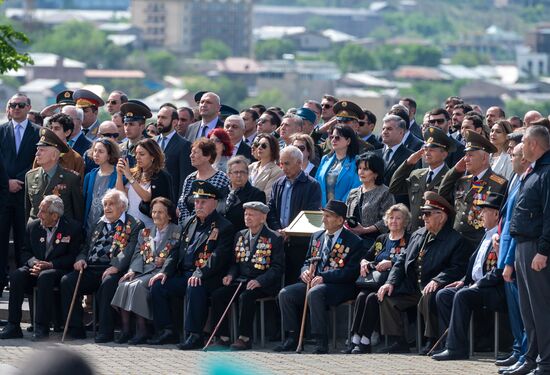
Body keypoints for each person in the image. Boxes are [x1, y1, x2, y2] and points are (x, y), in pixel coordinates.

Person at [377, 192, 468, 354]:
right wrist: (390, 282)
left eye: (428, 214)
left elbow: (457, 268)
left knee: (429, 295)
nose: (423, 218)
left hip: (434, 287)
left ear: (441, 216)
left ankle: (432, 341)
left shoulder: (456, 240)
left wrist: (438, 280)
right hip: (413, 287)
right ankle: (398, 341)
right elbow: (400, 261)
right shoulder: (418, 235)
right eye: (423, 213)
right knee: (387, 297)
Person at [148, 181, 234, 348]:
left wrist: (199, 273)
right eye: (196, 201)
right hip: (184, 273)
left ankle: (195, 335)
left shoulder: (224, 226)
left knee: (195, 286)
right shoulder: (189, 221)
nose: (198, 205)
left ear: (214, 203)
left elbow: (218, 257)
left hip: (208, 277)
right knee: (158, 284)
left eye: (203, 202)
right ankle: (167, 331)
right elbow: (176, 250)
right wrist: (165, 271)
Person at [275, 200, 362, 354]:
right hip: (314, 281)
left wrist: (324, 277)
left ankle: (320, 339)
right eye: (324, 215)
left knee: (315, 293)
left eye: (328, 216)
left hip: (339, 286)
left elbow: (351, 272)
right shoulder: (317, 236)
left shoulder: (354, 241)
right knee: (286, 293)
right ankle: (292, 336)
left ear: (340, 220)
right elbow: (307, 260)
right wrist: (305, 271)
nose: (323, 220)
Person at [60, 189, 143, 342]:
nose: (107, 208)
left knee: (108, 284)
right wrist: (81, 258)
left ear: (123, 206)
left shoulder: (134, 224)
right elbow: (86, 246)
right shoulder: (99, 223)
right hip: (91, 268)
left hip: (114, 269)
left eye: (112, 204)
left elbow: (130, 249)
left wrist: (116, 266)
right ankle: (75, 328)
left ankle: (106, 331)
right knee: (67, 281)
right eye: (105, 204)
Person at [432, 193, 505, 361]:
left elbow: (499, 270)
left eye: (484, 211)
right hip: (476, 285)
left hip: (494, 288)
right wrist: (464, 281)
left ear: (496, 214)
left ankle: (456, 348)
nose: (480, 215)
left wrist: (476, 284)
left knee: (462, 295)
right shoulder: (486, 235)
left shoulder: (500, 237)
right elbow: (476, 265)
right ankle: (449, 344)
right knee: (443, 295)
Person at [0, 196, 82, 341]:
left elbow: (72, 256)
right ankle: (13, 326)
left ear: (55, 215)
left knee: (46, 276)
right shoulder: (33, 226)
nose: (38, 215)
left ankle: (41, 327)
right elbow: (24, 251)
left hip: (58, 270)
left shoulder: (72, 228)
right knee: (17, 275)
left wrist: (50, 265)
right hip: (36, 267)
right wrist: (34, 263)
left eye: (43, 212)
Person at [210, 201, 283, 350]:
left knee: (246, 296)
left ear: (262, 218)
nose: (247, 217)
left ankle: (244, 337)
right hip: (241, 280)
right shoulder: (240, 235)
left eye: (252, 214)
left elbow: (277, 267)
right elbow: (234, 262)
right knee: (218, 295)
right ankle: (223, 336)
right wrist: (230, 275)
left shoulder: (274, 238)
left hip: (264, 283)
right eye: (246, 214)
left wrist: (260, 281)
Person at [111, 197, 180, 345]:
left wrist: (165, 263)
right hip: (144, 271)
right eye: (154, 212)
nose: (156, 215)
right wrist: (132, 270)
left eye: (160, 212)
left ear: (169, 215)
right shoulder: (145, 232)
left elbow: (176, 255)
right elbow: (137, 254)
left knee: (136, 286)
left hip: (162, 272)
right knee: (124, 284)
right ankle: (125, 330)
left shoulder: (177, 231)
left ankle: (142, 330)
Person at [509, 125, 550, 375]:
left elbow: (549, 216)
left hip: (537, 248)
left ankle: (546, 362)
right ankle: (531, 358)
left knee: (540, 308)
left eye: (523, 141)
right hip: (523, 245)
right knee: (528, 309)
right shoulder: (533, 171)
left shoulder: (546, 172)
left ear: (533, 144)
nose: (520, 147)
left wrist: (543, 250)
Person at [343, 204, 410, 354]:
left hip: (397, 284)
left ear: (405, 221)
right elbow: (366, 257)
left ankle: (365, 340)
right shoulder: (381, 239)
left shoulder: (410, 239)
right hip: (376, 282)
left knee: (372, 298)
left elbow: (409, 262)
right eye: (391, 218)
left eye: (398, 218)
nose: (394, 221)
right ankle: (355, 337)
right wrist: (364, 262)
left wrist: (391, 263)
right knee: (361, 296)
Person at [439, 130, 508, 252]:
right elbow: (442, 193)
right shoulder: (463, 181)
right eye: (465, 155)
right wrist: (455, 171)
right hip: (456, 243)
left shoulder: (499, 183)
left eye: (471, 155)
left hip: (478, 244)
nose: (466, 159)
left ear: (484, 158)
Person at [0, 93, 41, 293]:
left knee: (24, 244)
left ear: (28, 107)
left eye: (21, 105)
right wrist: (6, 181)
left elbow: (38, 161)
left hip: (26, 196)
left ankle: (24, 292)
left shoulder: (38, 132)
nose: (16, 108)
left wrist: (20, 180)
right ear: (8, 108)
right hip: (3, 194)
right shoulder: (1, 130)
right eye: (12, 105)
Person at [495, 142, 530, 374]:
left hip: (516, 255)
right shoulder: (516, 180)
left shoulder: (530, 180)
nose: (510, 157)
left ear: (525, 158)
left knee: (526, 312)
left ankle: (527, 354)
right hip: (506, 252)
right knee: (516, 313)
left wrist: (509, 260)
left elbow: (518, 225)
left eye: (514, 154)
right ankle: (519, 350)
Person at [267, 146, 322, 282]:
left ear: (299, 162)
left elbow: (310, 213)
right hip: (280, 239)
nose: (283, 167)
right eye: (281, 163)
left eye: (287, 163)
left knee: (295, 279)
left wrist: (290, 231)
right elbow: (271, 209)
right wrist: (277, 229)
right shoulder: (278, 184)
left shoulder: (312, 185)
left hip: (300, 242)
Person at [390, 127, 453, 232]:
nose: (427, 153)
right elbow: (394, 187)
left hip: (438, 232)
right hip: (414, 233)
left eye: (432, 150)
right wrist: (408, 163)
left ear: (444, 154)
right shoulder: (417, 174)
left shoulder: (450, 177)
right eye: (426, 149)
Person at [25, 128, 83, 223]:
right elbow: (28, 211)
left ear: (54, 155)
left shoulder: (71, 178)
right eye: (37, 150)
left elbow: (77, 214)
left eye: (42, 150)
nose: (37, 154)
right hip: (35, 232)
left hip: (60, 233)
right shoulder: (30, 176)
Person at [116, 138, 173, 228]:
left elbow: (146, 197)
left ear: (152, 156)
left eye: (142, 154)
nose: (137, 157)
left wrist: (129, 177)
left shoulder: (160, 175)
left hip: (149, 226)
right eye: (136, 154)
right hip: (130, 225)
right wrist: (119, 175)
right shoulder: (134, 173)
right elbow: (122, 196)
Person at [345, 152, 394, 249]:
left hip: (373, 243)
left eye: (366, 169)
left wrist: (365, 230)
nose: (361, 172)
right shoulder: (353, 192)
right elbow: (346, 215)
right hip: (351, 241)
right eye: (360, 168)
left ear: (376, 173)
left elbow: (388, 220)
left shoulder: (385, 192)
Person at [177, 138, 230, 223]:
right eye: (191, 152)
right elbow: (182, 204)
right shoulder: (190, 178)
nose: (191, 155)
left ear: (208, 156)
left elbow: (221, 207)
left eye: (195, 152)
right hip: (188, 227)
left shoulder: (221, 178)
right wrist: (189, 224)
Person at [155, 104, 194, 200]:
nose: (159, 121)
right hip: (150, 199)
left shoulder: (184, 145)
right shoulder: (152, 142)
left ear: (175, 122)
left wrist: (180, 204)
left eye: (163, 118)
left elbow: (184, 178)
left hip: (170, 200)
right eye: (158, 117)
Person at [83, 138, 120, 237]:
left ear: (109, 155)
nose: (96, 154)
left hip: (108, 228)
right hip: (88, 226)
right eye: (95, 150)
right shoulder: (90, 175)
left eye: (101, 151)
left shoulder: (119, 177)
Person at [316, 125, 361, 206]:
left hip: (344, 210)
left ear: (348, 141)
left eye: (337, 137)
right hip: (322, 210)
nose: (333, 140)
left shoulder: (357, 161)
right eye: (332, 137)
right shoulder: (325, 159)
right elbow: (316, 183)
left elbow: (356, 187)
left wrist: (338, 207)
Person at [34, 113, 85, 181]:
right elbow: (33, 181)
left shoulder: (76, 159)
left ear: (67, 132)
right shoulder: (42, 154)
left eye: (56, 128)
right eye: (51, 128)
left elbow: (79, 187)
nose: (52, 131)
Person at [220, 156, 266, 232]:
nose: (239, 175)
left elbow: (256, 223)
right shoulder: (220, 193)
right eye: (236, 172)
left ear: (248, 174)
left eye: (242, 172)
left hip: (241, 239)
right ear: (228, 174)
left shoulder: (256, 195)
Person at [248, 133, 284, 200]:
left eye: (264, 145)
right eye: (258, 145)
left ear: (272, 149)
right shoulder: (251, 167)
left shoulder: (277, 172)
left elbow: (267, 197)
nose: (259, 147)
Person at [119, 100, 152, 168]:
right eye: (125, 124)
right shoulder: (119, 148)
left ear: (142, 127)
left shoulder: (150, 148)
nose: (127, 128)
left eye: (131, 124)